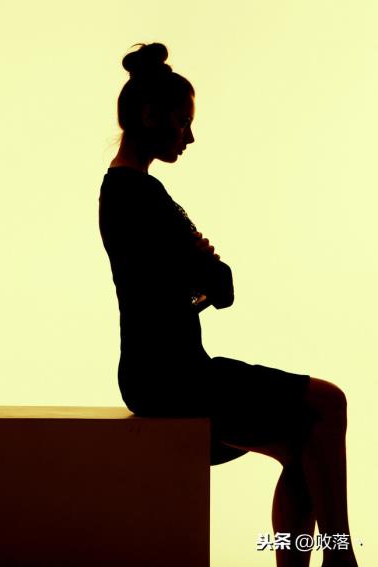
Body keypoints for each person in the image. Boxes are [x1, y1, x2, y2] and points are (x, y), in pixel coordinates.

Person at [98, 42, 358, 567]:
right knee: (328, 404)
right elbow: (217, 284)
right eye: (183, 122)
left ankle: (331, 557)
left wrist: (199, 276)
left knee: (305, 449)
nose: (189, 136)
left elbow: (205, 287)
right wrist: (202, 269)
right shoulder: (140, 196)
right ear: (150, 116)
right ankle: (341, 555)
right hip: (174, 377)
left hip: (161, 373)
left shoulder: (130, 192)